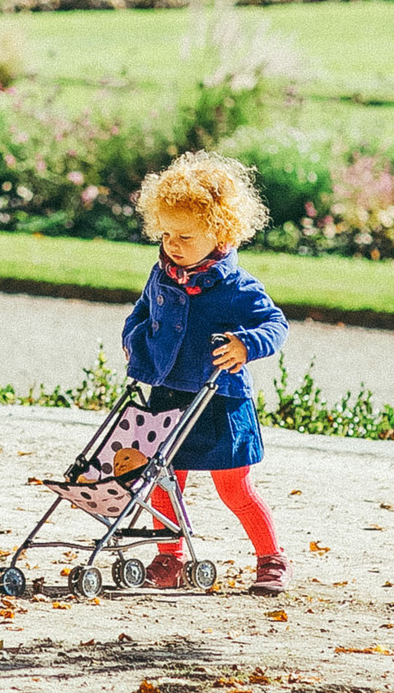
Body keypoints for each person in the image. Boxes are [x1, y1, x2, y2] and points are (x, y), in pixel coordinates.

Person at [121, 151, 291, 593]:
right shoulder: (162, 275)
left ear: (219, 232)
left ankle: (271, 557)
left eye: (185, 236)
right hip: (168, 393)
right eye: (165, 233)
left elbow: (275, 324)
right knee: (162, 477)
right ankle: (170, 555)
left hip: (219, 399)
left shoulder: (237, 287)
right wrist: (132, 340)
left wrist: (245, 345)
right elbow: (142, 312)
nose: (172, 244)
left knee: (234, 486)